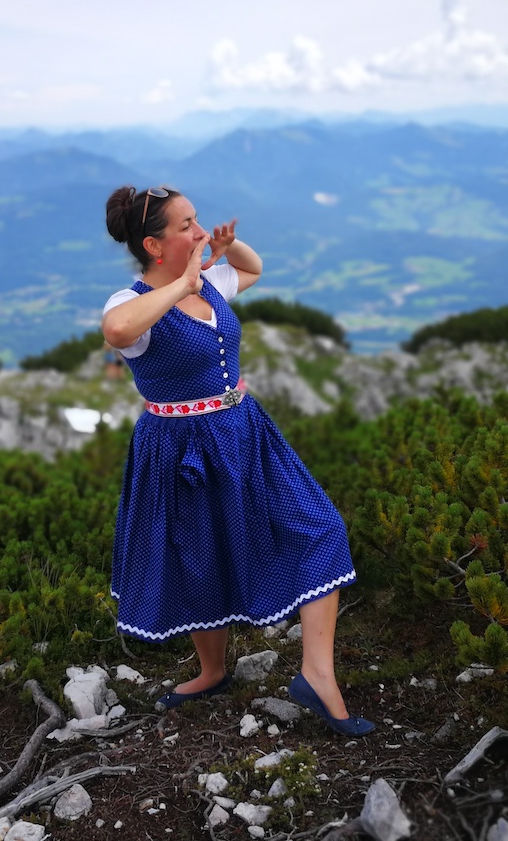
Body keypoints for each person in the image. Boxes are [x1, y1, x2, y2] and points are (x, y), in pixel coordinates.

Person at [100, 185, 374, 737]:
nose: (199, 232)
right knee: (201, 556)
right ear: (154, 245)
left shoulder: (212, 284)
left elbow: (253, 267)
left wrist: (219, 245)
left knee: (319, 526)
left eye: (197, 220)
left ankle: (317, 675)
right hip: (180, 447)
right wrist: (181, 282)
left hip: (245, 431)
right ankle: (212, 671)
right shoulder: (128, 302)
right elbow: (118, 332)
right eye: (186, 226)